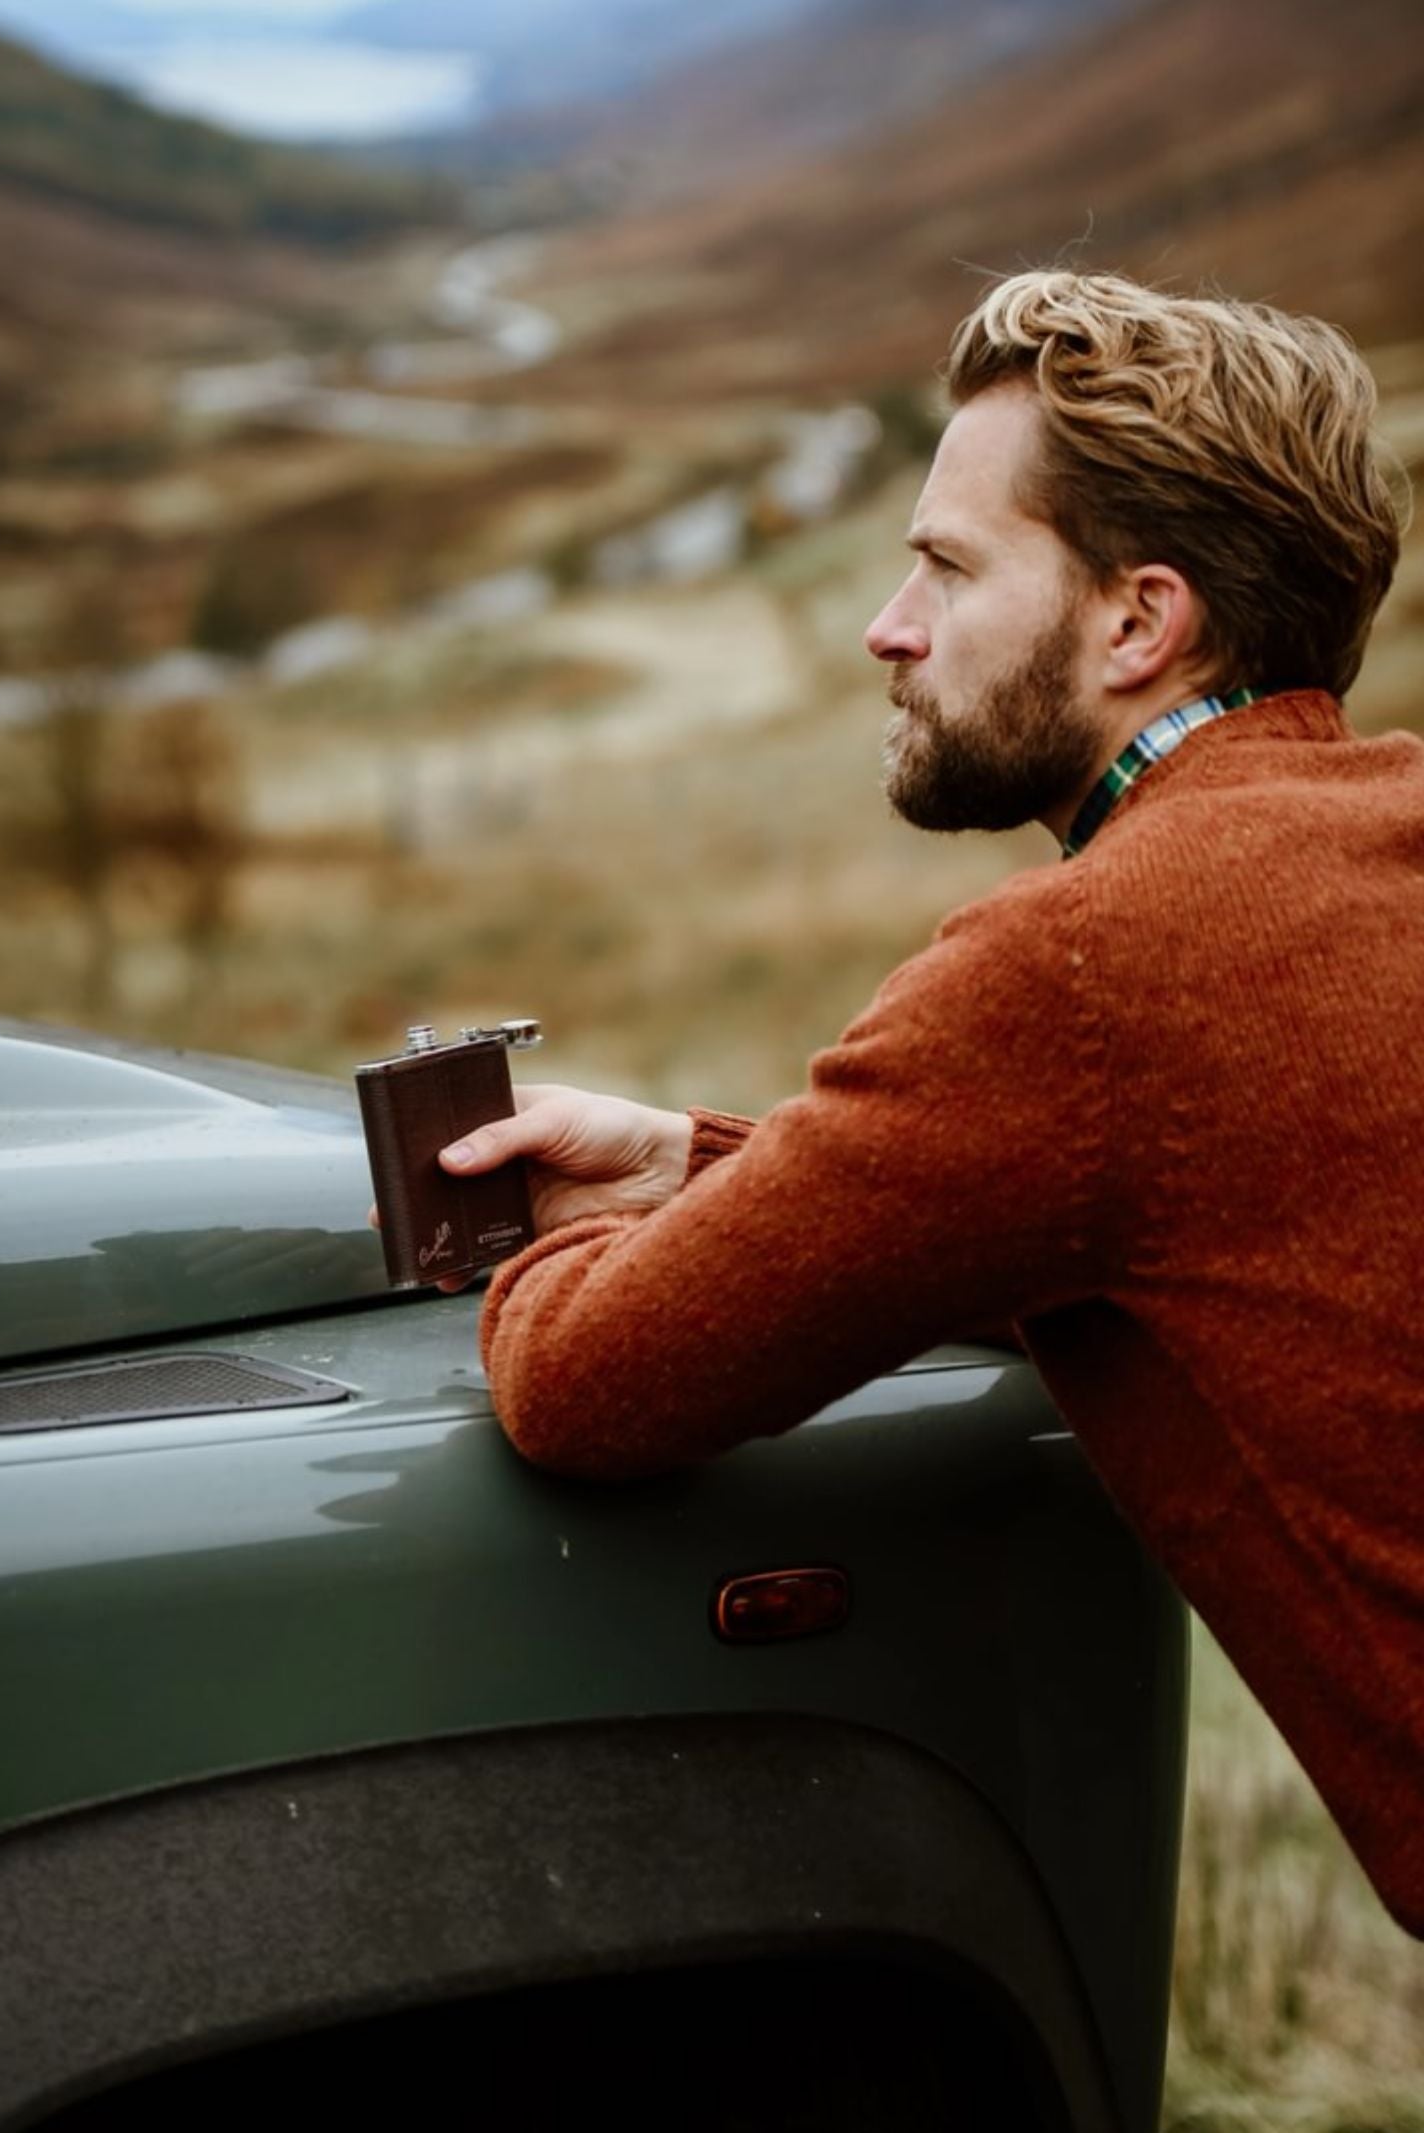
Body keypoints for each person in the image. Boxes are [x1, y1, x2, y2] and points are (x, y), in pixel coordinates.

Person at [435, 272, 1424, 1935]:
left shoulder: (1087, 965)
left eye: (949, 567)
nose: (889, 625)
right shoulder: (1378, 834)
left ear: (1136, 621)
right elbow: (1183, 1197)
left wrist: (531, 1252)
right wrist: (704, 1165)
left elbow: (586, 1385)